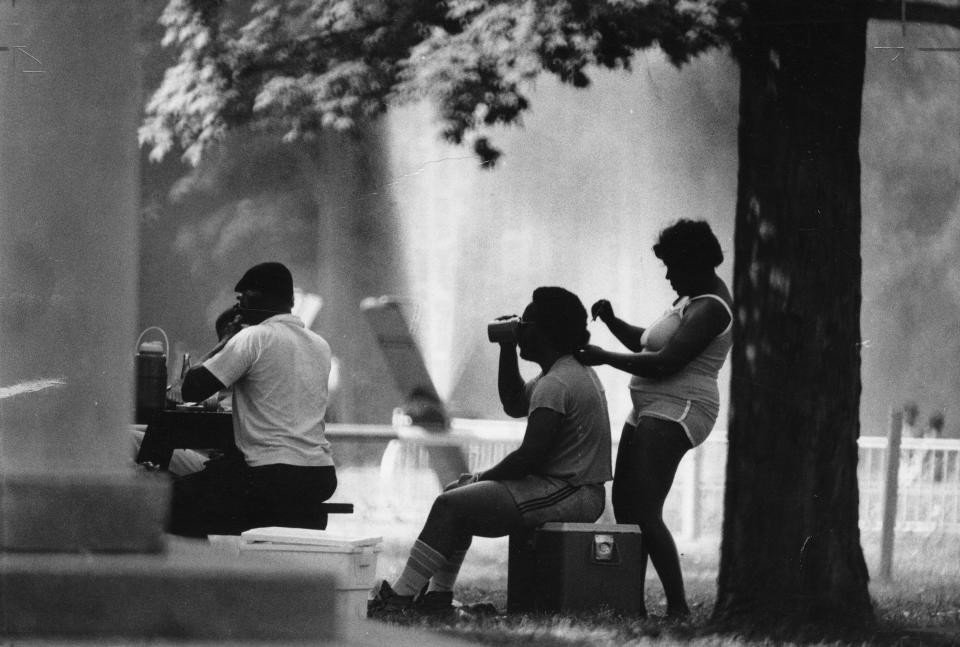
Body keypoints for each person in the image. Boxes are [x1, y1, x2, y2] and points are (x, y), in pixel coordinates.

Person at [368, 287, 612, 617]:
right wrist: (507, 347)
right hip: (562, 487)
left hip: (573, 492)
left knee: (451, 503)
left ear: (545, 330)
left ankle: (399, 599)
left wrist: (482, 477)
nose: (519, 327)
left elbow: (529, 457)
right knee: (457, 496)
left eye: (525, 323)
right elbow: (513, 403)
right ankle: (437, 598)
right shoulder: (557, 373)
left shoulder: (559, 382)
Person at [577, 219, 733, 618]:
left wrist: (603, 357)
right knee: (626, 506)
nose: (666, 275)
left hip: (681, 409)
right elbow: (648, 341)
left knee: (645, 509)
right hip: (649, 409)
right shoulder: (690, 299)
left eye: (672, 266)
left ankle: (678, 607)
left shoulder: (713, 308)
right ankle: (632, 602)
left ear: (693, 262)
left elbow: (664, 363)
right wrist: (612, 322)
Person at [170, 262, 336, 537]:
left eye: (242, 299)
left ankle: (203, 574)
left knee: (167, 501)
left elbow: (191, 389)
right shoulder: (320, 345)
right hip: (318, 475)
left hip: (269, 475)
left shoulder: (253, 338)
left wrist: (226, 339)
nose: (238, 308)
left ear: (257, 298)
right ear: (291, 301)